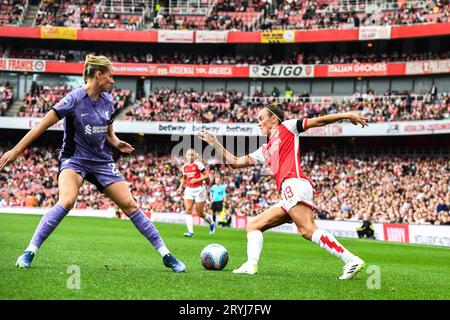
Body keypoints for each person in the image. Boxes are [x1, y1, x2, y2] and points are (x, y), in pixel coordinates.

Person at [0, 54, 186, 272]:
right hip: (74, 159)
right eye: (111, 76)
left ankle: (166, 255)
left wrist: (116, 143)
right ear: (98, 75)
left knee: (131, 205)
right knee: (67, 200)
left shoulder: (109, 99)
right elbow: (42, 125)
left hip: (101, 161)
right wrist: (16, 150)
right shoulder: (73, 99)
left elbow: (108, 132)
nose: (113, 81)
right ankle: (29, 252)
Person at [199, 105, 368, 280]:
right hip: (288, 191)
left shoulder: (287, 127)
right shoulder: (265, 149)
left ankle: (351, 260)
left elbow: (320, 120)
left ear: (274, 118)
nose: (259, 123)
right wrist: (215, 143)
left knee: (308, 230)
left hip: (294, 184)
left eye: (261, 118)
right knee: (254, 226)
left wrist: (347, 115)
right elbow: (235, 162)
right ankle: (250, 265)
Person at [176, 148, 215, 237]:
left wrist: (197, 179)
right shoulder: (184, 167)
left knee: (200, 213)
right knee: (188, 210)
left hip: (199, 190)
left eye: (192, 155)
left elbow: (207, 175)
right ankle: (190, 232)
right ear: (186, 156)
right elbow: (184, 178)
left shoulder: (198, 165)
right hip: (189, 189)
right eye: (189, 155)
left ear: (195, 156)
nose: (190, 156)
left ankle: (211, 223)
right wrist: (180, 187)